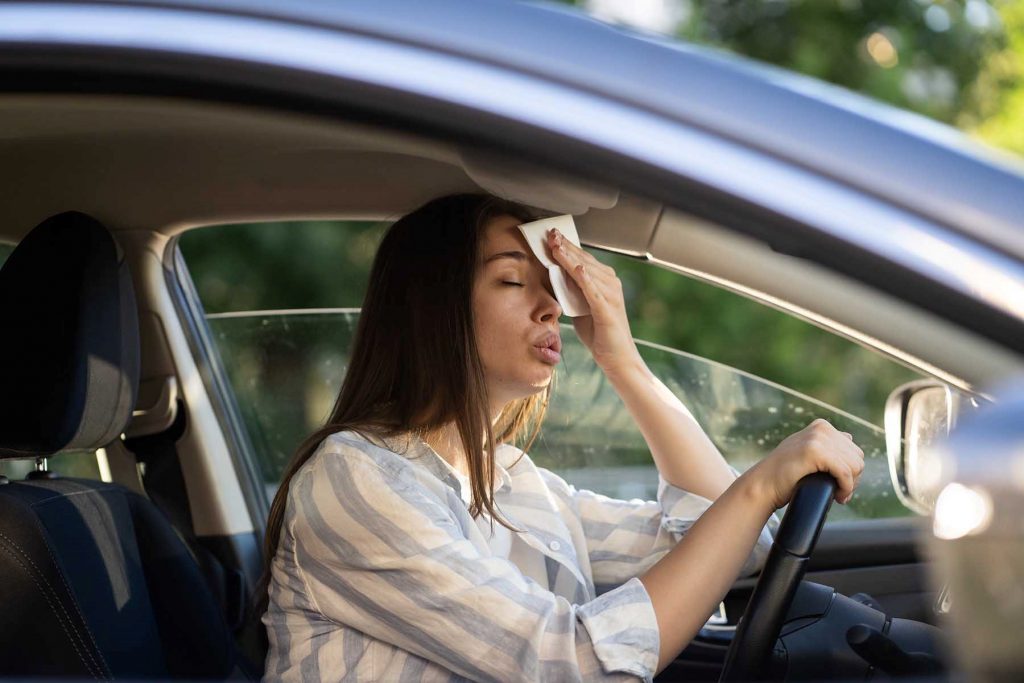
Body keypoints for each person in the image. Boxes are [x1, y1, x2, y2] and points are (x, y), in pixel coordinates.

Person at [259, 193, 865, 682]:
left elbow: (731, 541)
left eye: (552, 283)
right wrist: (761, 483)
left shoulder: (514, 481)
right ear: (432, 308)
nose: (552, 305)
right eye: (512, 281)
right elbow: (570, 664)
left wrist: (621, 359)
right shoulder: (353, 479)